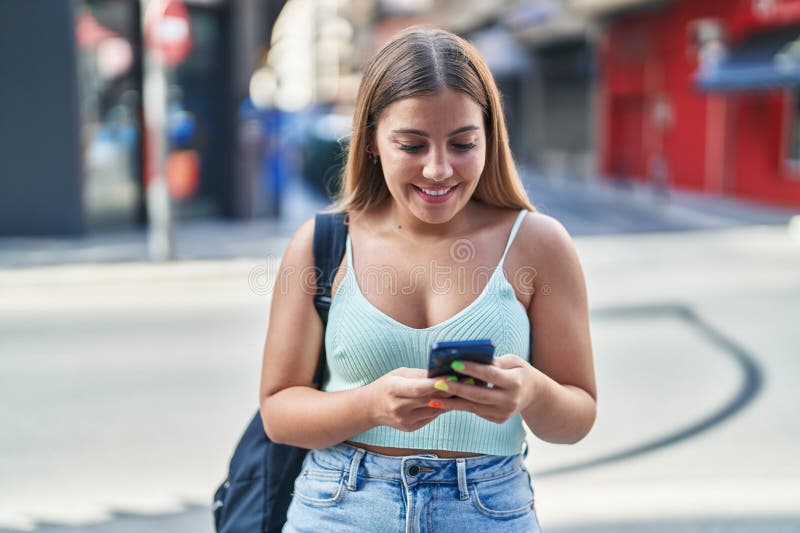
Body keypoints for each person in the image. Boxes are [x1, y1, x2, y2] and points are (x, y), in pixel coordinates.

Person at [259, 25, 597, 533]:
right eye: (411, 145)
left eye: (462, 143)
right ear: (372, 141)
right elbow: (278, 412)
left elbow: (577, 417)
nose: (438, 169)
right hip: (340, 507)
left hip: (486, 509)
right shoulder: (321, 245)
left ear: (490, 136)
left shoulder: (540, 244)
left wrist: (530, 392)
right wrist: (370, 405)